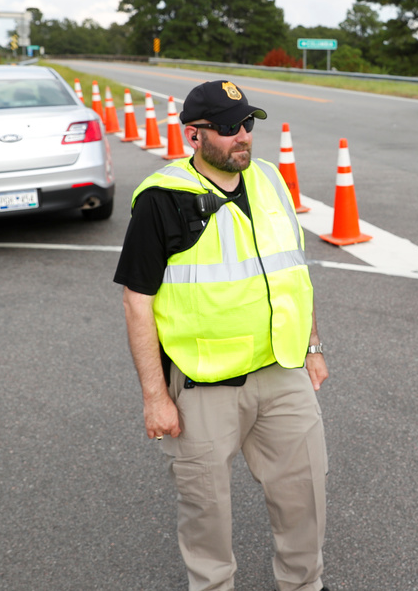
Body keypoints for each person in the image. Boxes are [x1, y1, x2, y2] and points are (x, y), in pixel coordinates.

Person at [114, 80, 329, 591]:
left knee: (305, 500)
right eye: (229, 128)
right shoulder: (161, 199)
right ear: (194, 134)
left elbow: (293, 273)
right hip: (204, 388)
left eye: (248, 123)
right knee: (206, 518)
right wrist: (155, 397)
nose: (243, 136)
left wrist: (313, 346)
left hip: (282, 373)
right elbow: (136, 301)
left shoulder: (270, 179)